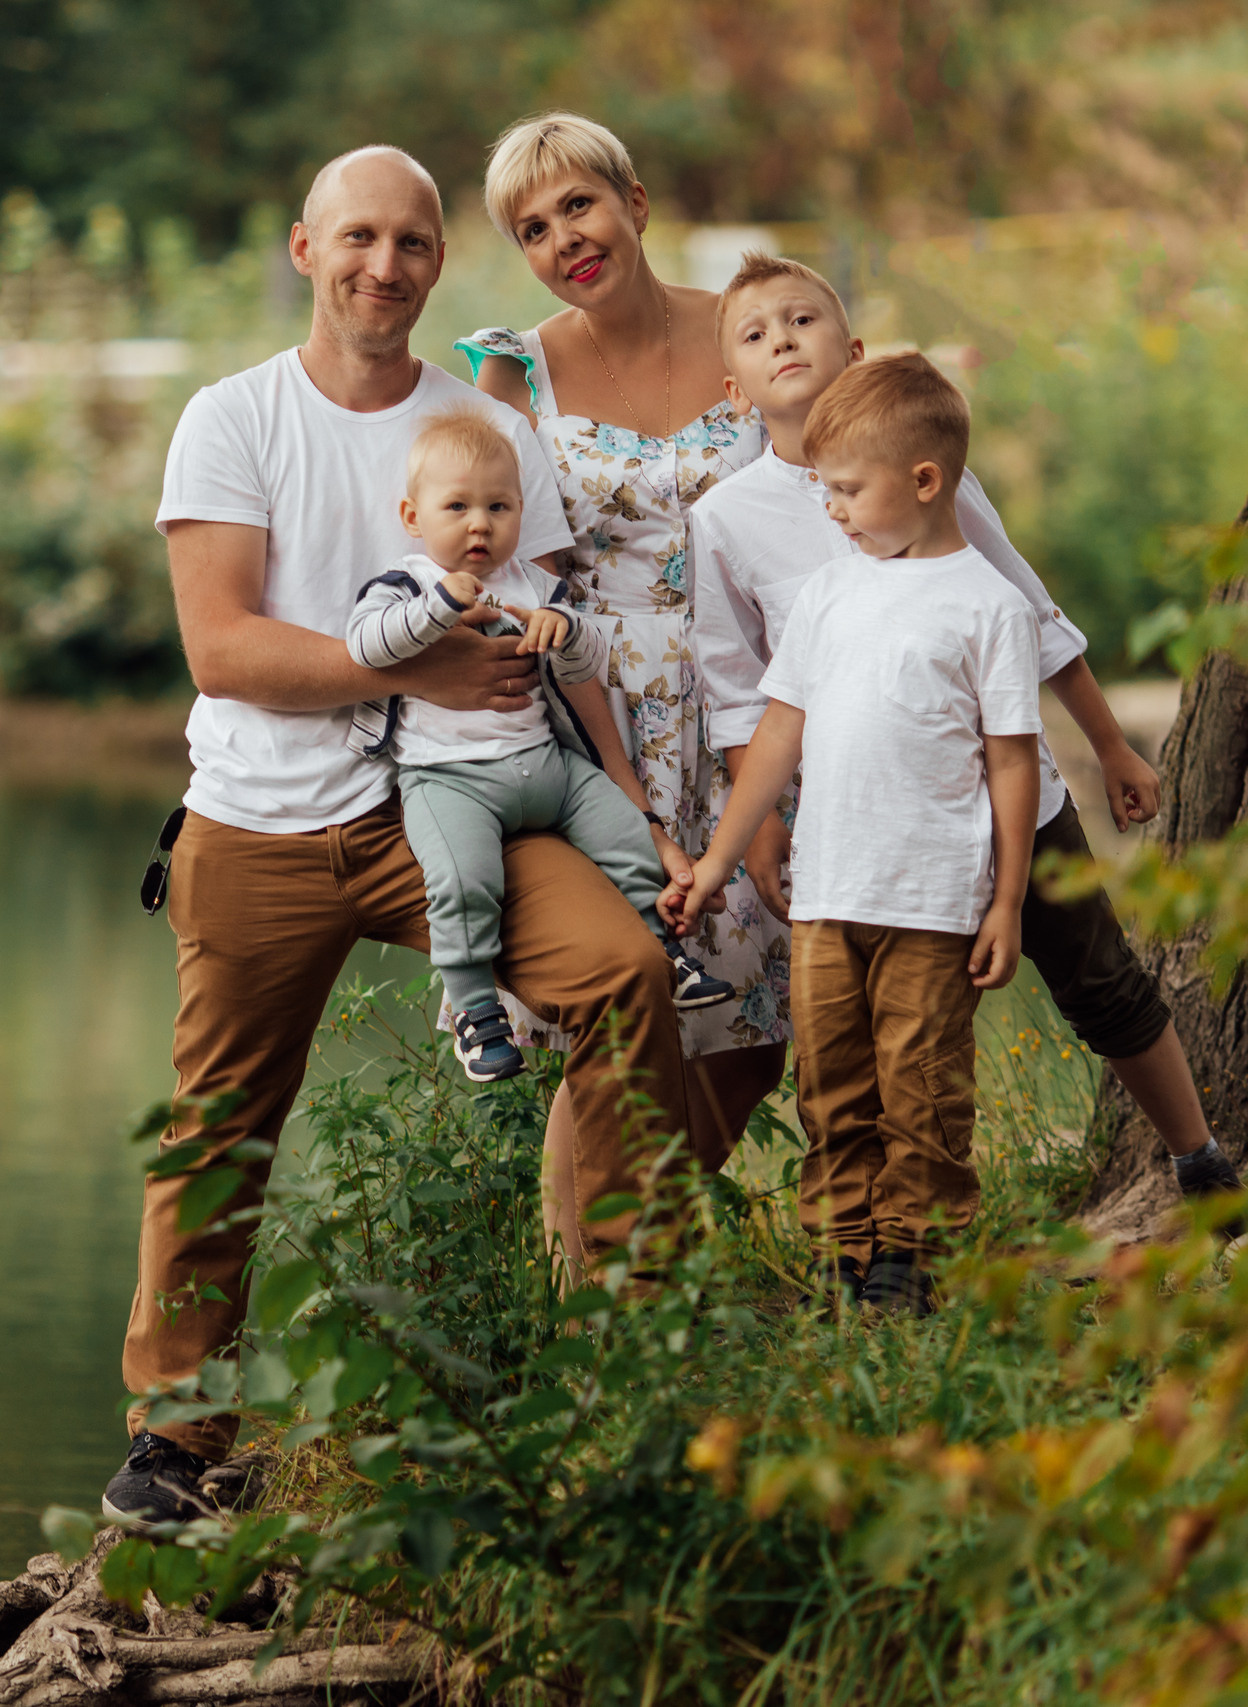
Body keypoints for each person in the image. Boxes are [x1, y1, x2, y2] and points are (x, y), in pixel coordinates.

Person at [103, 146, 695, 1530]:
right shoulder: (234, 418)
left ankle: (624, 1368)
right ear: (305, 247)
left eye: (416, 243)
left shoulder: (480, 434)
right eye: (360, 237)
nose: (387, 266)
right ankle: (178, 1441)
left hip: (463, 804)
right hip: (261, 818)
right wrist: (408, 671)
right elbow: (224, 644)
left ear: (439, 262)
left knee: (627, 975)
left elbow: (551, 633)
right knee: (222, 1122)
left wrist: (635, 802)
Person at [686, 253, 1242, 1208]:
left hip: (1009, 795)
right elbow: (745, 693)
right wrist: (765, 823)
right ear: (731, 388)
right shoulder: (729, 520)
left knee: (1098, 973)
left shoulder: (929, 469)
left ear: (852, 349)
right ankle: (887, 1233)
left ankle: (1195, 1152)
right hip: (868, 831)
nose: (781, 337)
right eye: (755, 331)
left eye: (801, 319)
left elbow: (1029, 613)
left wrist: (1108, 744)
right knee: (882, 1038)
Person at [456, 112, 783, 1273]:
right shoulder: (514, 366)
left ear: (634, 202)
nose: (562, 239)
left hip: (754, 692)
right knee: (616, 1019)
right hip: (599, 713)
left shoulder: (754, 325)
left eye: (577, 206)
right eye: (531, 228)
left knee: (754, 1022)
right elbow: (475, 542)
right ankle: (586, 1307)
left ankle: (637, 1266)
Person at [680, 354, 1040, 1315]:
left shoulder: (988, 607)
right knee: (830, 1084)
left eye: (846, 489)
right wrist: (721, 858)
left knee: (922, 1087)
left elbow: (1012, 760)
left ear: (924, 482)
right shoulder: (833, 594)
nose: (830, 508)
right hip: (827, 893)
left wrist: (1006, 899)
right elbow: (778, 733)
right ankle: (843, 1252)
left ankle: (913, 1257)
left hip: (931, 899)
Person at [346, 408, 735, 1082]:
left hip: (550, 769)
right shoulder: (404, 584)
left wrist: (564, 625)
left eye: (499, 506)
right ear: (413, 516)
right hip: (450, 778)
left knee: (626, 836)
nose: (479, 523)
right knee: (465, 882)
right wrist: (440, 606)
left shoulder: (533, 584)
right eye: (457, 506)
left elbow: (587, 661)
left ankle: (664, 949)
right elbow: (367, 647)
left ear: (522, 513)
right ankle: (475, 1010)